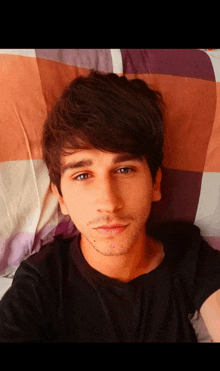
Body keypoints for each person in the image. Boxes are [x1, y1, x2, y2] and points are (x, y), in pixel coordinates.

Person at [0, 70, 220, 342]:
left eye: (125, 169)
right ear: (61, 198)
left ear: (155, 183)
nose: (109, 203)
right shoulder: (40, 284)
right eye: (82, 175)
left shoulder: (189, 255)